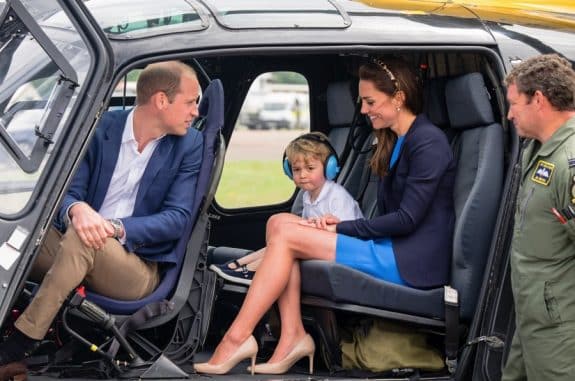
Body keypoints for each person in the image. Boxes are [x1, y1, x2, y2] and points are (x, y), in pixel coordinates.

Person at [194, 56, 455, 376]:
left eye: (371, 101)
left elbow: (407, 219)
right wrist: (337, 227)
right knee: (279, 223)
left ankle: (237, 338)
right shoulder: (397, 140)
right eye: (362, 101)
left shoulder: (428, 142)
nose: (363, 109)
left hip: (410, 261)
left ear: (398, 97)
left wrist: (340, 228)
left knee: (288, 236)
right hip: (390, 246)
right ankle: (292, 336)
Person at [0, 60, 204, 378]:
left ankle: (20, 343)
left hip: (135, 265)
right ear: (161, 101)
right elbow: (63, 193)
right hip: (76, 243)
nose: (195, 112)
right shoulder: (101, 128)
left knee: (85, 237)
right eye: (191, 102)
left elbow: (176, 219)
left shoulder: (189, 144)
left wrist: (113, 228)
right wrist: (76, 209)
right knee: (10, 230)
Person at [501, 54, 575, 381]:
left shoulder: (569, 163)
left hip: (558, 331)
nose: (509, 114)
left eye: (515, 104)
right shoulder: (537, 149)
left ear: (539, 100)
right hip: (532, 320)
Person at [209, 131, 364, 285]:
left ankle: (250, 270)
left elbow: (350, 233)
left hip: (344, 251)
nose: (302, 174)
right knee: (277, 242)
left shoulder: (338, 196)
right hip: (321, 245)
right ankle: (238, 264)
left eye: (310, 168)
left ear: (329, 168)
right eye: (296, 170)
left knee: (283, 243)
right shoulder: (307, 196)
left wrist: (330, 226)